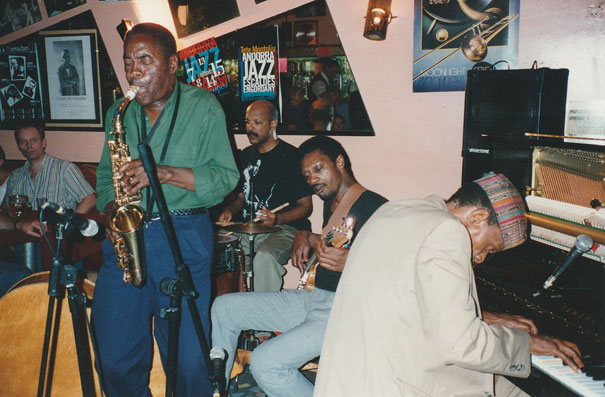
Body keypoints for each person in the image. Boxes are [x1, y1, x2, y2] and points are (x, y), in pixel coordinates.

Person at [315, 173, 584, 396]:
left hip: (352, 377)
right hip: (392, 384)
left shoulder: (397, 210)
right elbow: (461, 345)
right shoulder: (447, 230)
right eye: (488, 248)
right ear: (477, 218)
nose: (479, 258)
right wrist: (526, 344)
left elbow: (404, 297)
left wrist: (484, 318)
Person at [92, 23, 239, 396]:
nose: (134, 72)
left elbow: (225, 178)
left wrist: (165, 173)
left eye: (145, 60)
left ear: (172, 63)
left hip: (184, 239)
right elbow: (106, 179)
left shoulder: (204, 107)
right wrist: (113, 210)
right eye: (128, 62)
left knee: (190, 363)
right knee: (113, 357)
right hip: (127, 243)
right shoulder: (118, 112)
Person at [211, 136, 387, 396]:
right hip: (314, 299)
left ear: (339, 161)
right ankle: (216, 390)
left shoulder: (374, 207)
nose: (313, 179)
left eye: (318, 169)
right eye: (307, 175)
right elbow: (333, 244)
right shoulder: (333, 203)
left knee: (265, 362)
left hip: (343, 311)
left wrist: (353, 261)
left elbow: (392, 267)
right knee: (224, 307)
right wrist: (306, 236)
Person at [218, 100, 312, 292]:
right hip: (247, 227)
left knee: (265, 258)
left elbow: (306, 206)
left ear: (273, 125)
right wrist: (229, 210)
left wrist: (278, 218)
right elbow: (242, 198)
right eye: (247, 122)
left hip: (283, 229)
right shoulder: (246, 155)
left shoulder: (292, 157)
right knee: (217, 246)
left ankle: (263, 318)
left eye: (257, 123)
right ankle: (231, 309)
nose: (250, 128)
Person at [4, 123, 96, 236]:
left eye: (33, 140)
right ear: (18, 146)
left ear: (43, 143)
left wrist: (70, 224)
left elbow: (90, 199)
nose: (29, 145)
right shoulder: (15, 176)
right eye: (23, 142)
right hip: (24, 236)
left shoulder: (64, 168)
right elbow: (6, 211)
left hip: (55, 236)